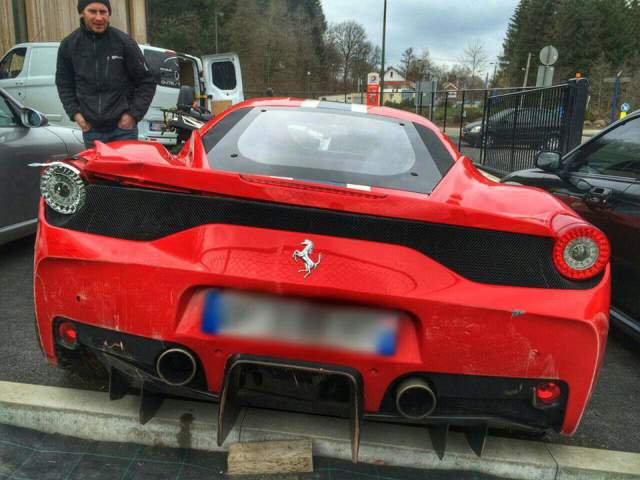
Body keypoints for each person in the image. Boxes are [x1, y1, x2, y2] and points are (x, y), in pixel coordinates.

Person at [56, 0, 156, 148]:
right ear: (82, 13)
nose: (98, 18)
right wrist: (77, 116)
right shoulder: (69, 45)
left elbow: (147, 81)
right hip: (92, 131)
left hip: (124, 130)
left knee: (124, 172)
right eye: (92, 11)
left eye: (103, 12)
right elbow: (64, 84)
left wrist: (132, 115)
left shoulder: (124, 42)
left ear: (109, 14)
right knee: (96, 172)